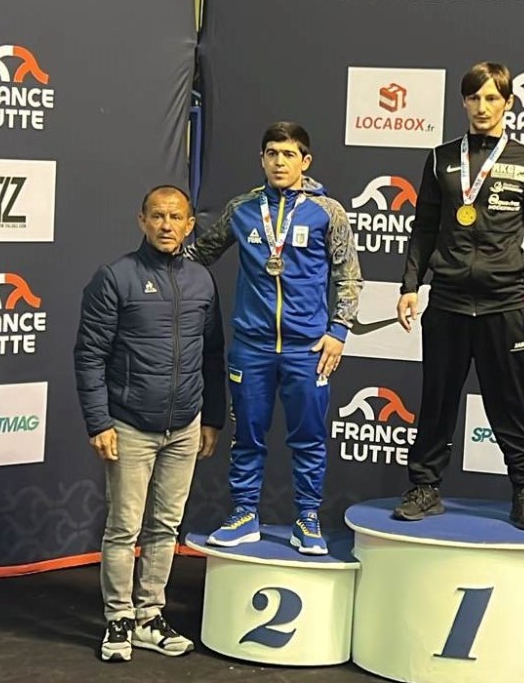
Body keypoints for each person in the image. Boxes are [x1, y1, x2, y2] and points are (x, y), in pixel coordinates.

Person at [187, 121, 362, 555]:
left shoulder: (328, 212)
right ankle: (244, 514)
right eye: (272, 154)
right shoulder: (242, 209)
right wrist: (155, 258)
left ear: (305, 161)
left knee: (309, 439)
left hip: (308, 348)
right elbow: (199, 255)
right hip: (252, 347)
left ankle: (307, 519)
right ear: (262, 159)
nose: (279, 162)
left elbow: (348, 275)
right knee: (247, 437)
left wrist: (339, 330)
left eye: (288, 155)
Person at [394, 61, 524, 530]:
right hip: (446, 300)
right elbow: (424, 227)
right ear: (463, 102)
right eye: (474, 98)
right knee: (437, 400)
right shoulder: (441, 158)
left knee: (511, 405)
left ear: (508, 103)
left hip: (504, 302)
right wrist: (410, 285)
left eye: (491, 98)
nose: (482, 107)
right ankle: (425, 487)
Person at [74, 185, 225, 662]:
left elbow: (213, 354)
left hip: (185, 426)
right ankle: (118, 619)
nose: (166, 225)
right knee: (124, 528)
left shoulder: (202, 281)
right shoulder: (115, 278)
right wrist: (99, 422)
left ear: (190, 225)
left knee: (165, 527)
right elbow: (89, 356)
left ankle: (148, 617)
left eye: (175, 217)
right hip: (130, 425)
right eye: (157, 216)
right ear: (142, 221)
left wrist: (212, 417)